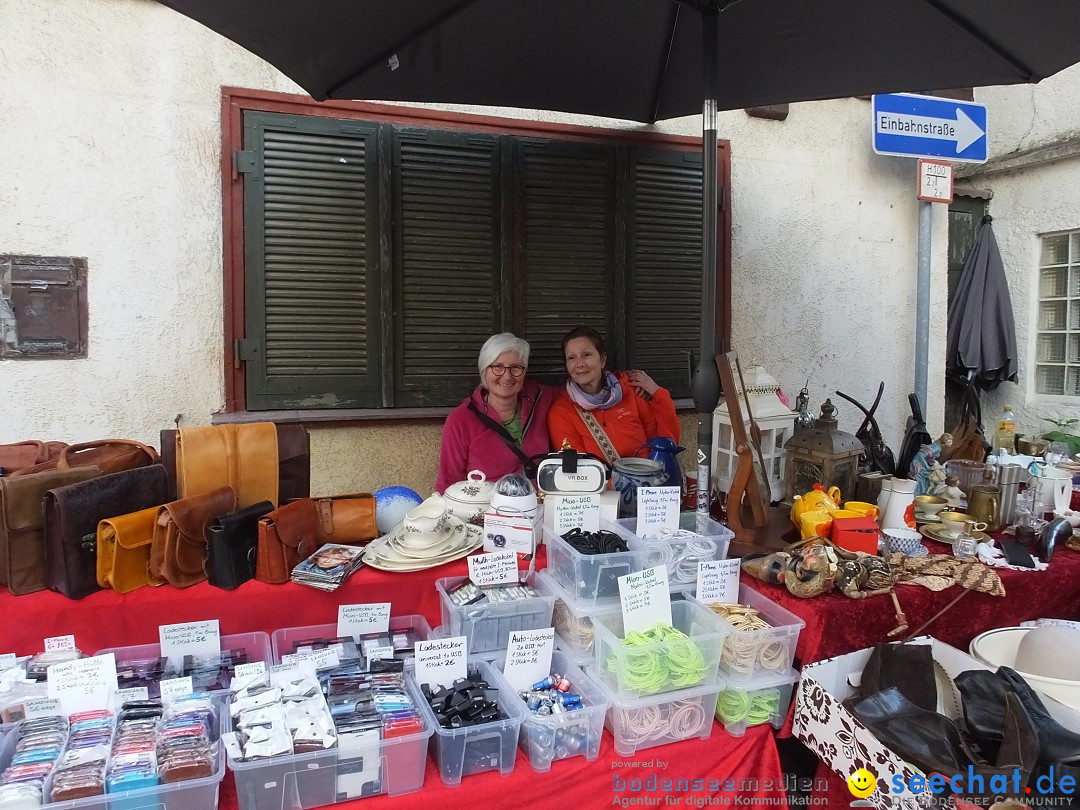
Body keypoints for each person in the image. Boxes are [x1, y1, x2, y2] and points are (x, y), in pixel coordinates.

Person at [436, 333, 552, 493]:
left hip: (538, 507)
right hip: (486, 511)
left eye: (515, 368)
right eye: (497, 367)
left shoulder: (540, 400)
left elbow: (573, 394)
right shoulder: (461, 420)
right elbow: (448, 483)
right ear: (484, 370)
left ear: (524, 371)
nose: (507, 376)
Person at [546, 326, 680, 461]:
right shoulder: (561, 413)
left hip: (646, 477)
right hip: (602, 481)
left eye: (586, 355)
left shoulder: (631, 391)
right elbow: (581, 470)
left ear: (602, 360)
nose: (579, 364)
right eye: (571, 358)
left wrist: (658, 393)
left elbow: (664, 444)